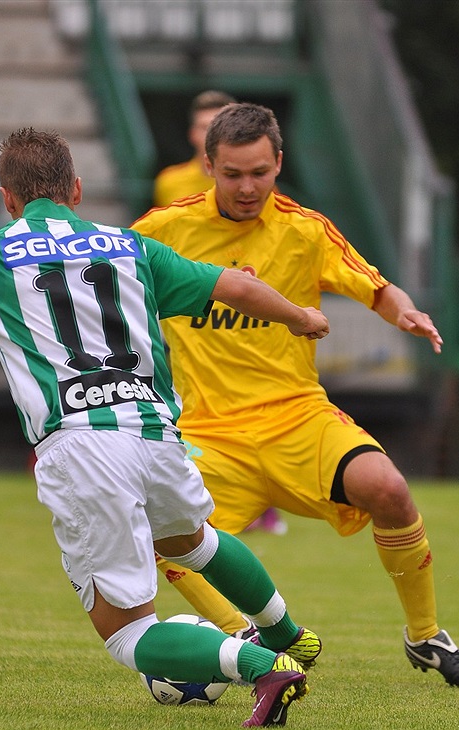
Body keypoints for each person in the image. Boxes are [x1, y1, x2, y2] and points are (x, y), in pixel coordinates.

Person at [0, 128, 333, 727]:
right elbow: (233, 285)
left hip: (81, 443)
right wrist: (299, 316)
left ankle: (265, 667)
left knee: (127, 633)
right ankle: (287, 633)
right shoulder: (130, 246)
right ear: (76, 190)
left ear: (8, 199)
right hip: (155, 430)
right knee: (193, 541)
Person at [132, 103, 459, 688]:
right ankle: (244, 635)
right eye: (233, 174)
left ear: (278, 163)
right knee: (160, 538)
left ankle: (425, 636)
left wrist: (405, 312)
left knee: (389, 489)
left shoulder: (306, 229)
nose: (248, 188)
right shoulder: (162, 228)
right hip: (209, 430)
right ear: (208, 166)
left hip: (297, 416)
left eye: (259, 173)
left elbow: (375, 288)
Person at [154, 89, 288, 537]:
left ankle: (266, 499)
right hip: (194, 306)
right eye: (202, 124)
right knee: (189, 402)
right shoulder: (171, 184)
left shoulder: (254, 183)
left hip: (244, 303)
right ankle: (205, 498)